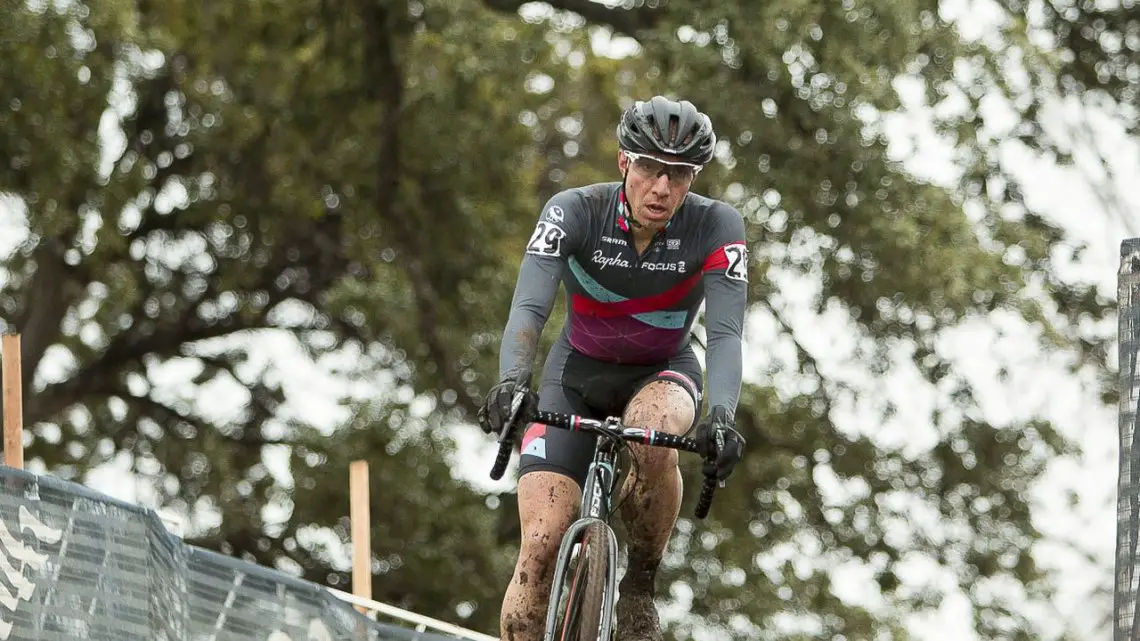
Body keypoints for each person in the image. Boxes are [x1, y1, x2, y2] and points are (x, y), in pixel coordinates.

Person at [478, 96, 748, 641]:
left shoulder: (718, 225)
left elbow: (724, 334)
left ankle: (640, 585)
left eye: (679, 175)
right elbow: (529, 306)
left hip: (663, 370)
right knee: (540, 545)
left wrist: (721, 416)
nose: (662, 189)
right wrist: (511, 382)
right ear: (624, 162)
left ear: (693, 178)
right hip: (573, 375)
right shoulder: (573, 210)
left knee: (654, 433)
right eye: (650, 168)